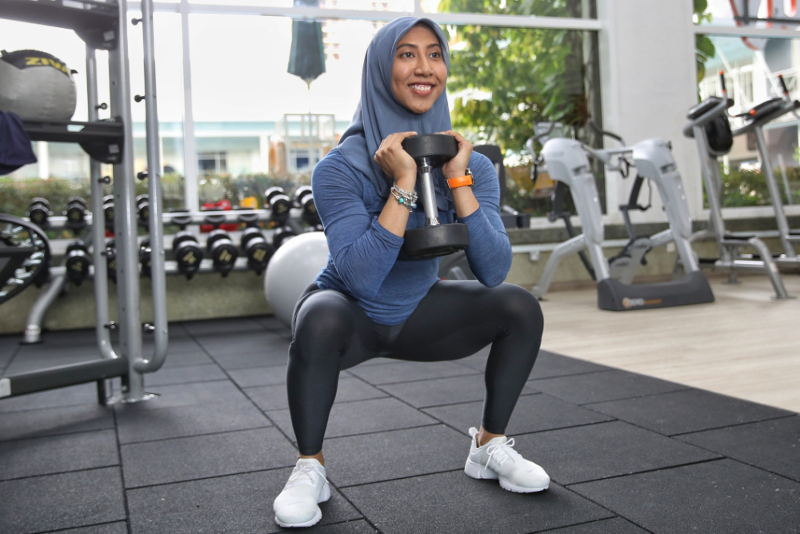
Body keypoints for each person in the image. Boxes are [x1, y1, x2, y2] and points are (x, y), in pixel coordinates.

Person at [272, 16, 548, 529]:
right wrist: (403, 182)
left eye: (434, 54)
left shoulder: (470, 165)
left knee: (518, 306)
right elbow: (360, 279)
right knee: (319, 317)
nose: (424, 67)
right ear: (381, 69)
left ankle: (488, 446)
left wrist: (458, 180)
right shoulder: (339, 168)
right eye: (406, 54)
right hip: (352, 317)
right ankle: (310, 468)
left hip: (420, 313)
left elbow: (493, 269)